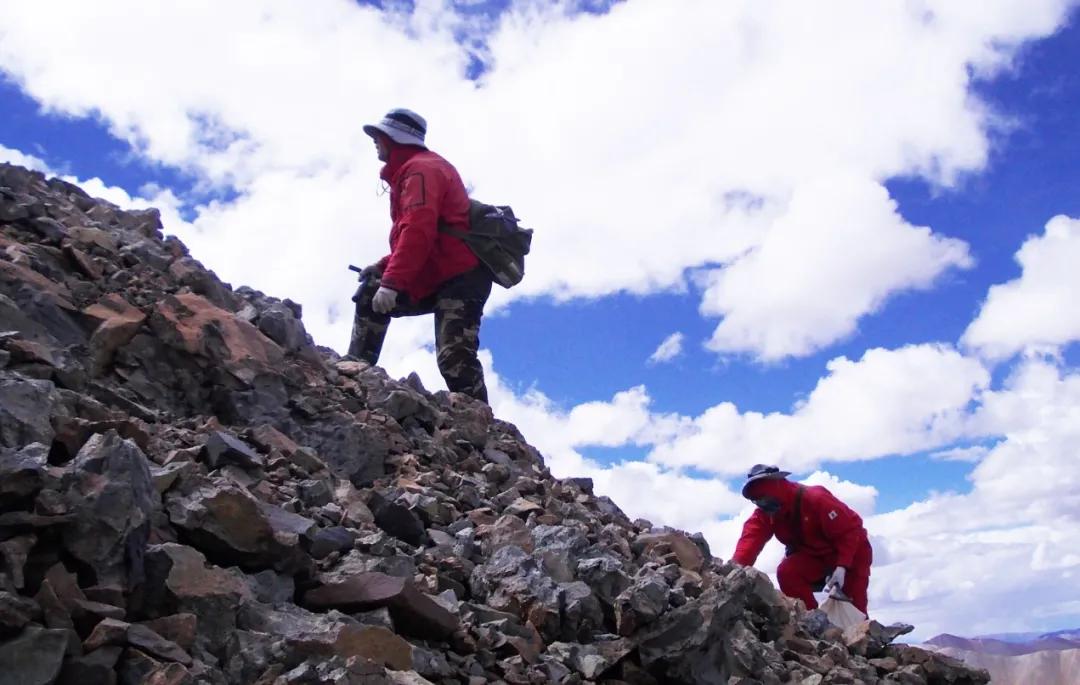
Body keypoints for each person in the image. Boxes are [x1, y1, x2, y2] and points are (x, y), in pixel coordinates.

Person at [349, 108, 492, 403]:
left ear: (395, 138)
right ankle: (355, 373)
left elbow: (419, 229)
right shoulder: (414, 170)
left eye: (379, 136)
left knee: (455, 358)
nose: (375, 141)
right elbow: (422, 234)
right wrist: (381, 267)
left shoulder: (420, 171)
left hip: (463, 278)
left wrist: (391, 282)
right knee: (371, 293)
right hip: (441, 273)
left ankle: (485, 432)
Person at [731, 464, 873, 614]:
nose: (763, 503)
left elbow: (849, 531)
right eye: (758, 500)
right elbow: (750, 541)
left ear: (776, 487)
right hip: (814, 557)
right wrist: (733, 571)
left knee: (854, 609)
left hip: (853, 551)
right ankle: (812, 620)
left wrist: (842, 566)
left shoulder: (816, 499)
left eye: (765, 496)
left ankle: (861, 632)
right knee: (788, 572)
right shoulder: (768, 512)